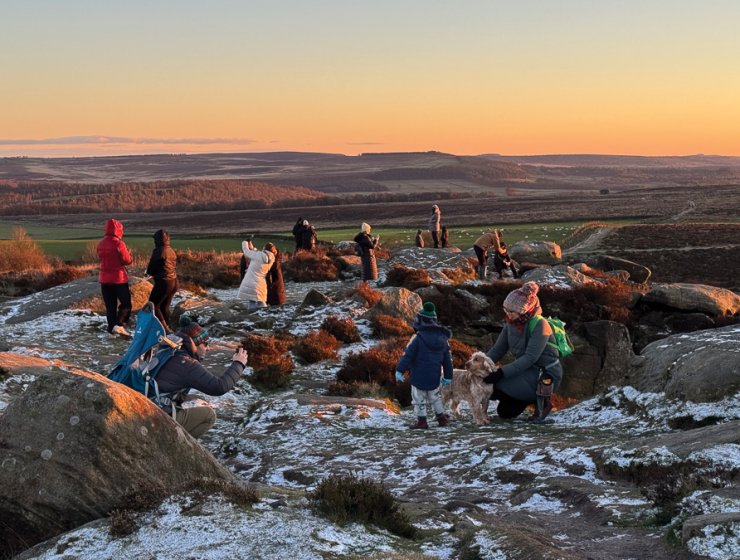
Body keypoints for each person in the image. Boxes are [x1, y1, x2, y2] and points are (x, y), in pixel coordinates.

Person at [154, 315, 249, 438]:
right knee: (208, 415)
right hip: (160, 416)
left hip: (151, 405)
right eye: (205, 344)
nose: (208, 348)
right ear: (195, 344)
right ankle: (178, 446)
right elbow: (219, 387)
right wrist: (239, 364)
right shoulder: (186, 363)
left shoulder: (167, 352)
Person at [483, 281, 563, 422]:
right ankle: (525, 400)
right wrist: (480, 366)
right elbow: (497, 350)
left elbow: (530, 358)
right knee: (504, 411)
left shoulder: (540, 325)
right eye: (506, 310)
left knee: (494, 385)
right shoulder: (511, 323)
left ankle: (540, 400)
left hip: (543, 375)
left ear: (524, 310)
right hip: (525, 371)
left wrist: (500, 373)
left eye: (512, 311)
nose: (508, 314)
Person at [394, 302, 453, 429]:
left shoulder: (418, 338)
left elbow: (408, 355)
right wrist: (448, 376)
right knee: (435, 397)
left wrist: (399, 370)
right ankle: (441, 418)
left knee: (418, 398)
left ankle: (422, 421)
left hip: (418, 375)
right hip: (434, 376)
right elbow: (447, 360)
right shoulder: (443, 339)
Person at [97, 218, 133, 336]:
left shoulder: (101, 243)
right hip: (119, 279)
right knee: (126, 304)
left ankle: (111, 327)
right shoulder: (119, 243)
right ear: (118, 230)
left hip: (104, 279)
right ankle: (120, 324)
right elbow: (127, 260)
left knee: (110, 306)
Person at [145, 229, 178, 330]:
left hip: (164, 282)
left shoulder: (159, 251)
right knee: (165, 306)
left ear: (157, 240)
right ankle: (168, 326)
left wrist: (149, 273)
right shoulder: (171, 250)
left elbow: (151, 268)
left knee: (153, 305)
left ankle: (164, 329)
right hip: (174, 281)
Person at [237, 239, 275, 310]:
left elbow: (246, 252)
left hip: (252, 282)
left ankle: (252, 316)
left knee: (252, 301)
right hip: (261, 284)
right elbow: (257, 253)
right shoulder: (272, 259)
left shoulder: (258, 255)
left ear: (264, 248)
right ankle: (264, 314)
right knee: (261, 301)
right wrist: (251, 246)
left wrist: (245, 243)